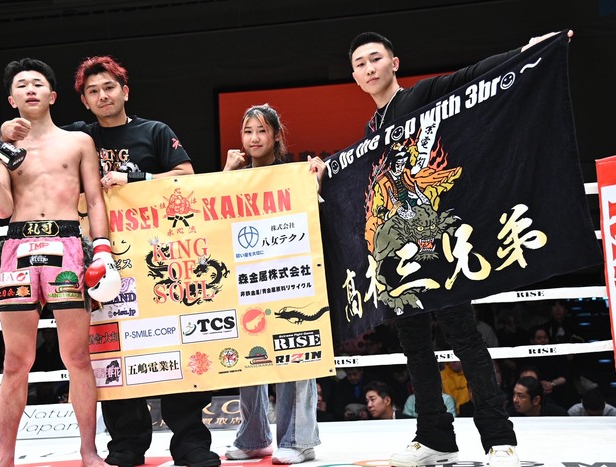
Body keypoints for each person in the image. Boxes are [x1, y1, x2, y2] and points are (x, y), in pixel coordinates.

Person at [344, 29, 573, 467]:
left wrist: (525, 52)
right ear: (354, 77)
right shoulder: (372, 128)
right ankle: (434, 437)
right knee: (415, 347)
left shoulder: (419, 97)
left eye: (375, 59)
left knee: (465, 339)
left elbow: (471, 77)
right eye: (360, 64)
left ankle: (499, 440)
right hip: (399, 252)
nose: (369, 68)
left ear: (394, 62)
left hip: (438, 243)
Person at [0, 55, 217, 467]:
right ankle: (126, 444)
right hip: (98, 261)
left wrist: (135, 179)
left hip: (160, 259)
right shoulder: (79, 135)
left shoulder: (154, 131)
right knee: (112, 348)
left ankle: (191, 442)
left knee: (173, 339)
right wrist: (3, 132)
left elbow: (186, 176)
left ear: (125, 91)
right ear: (82, 100)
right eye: (93, 91)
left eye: (109, 88)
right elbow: (31, 136)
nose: (102, 96)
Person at [0, 57, 121, 466]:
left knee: (77, 357)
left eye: (38, 83)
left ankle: (88, 452)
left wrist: (102, 248)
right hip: (18, 248)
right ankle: (4, 458)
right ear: (12, 99)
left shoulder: (78, 142)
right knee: (15, 361)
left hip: (67, 244)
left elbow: (95, 199)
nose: (30, 88)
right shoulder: (3, 149)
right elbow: (1, 209)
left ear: (53, 95)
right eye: (22, 84)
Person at [222, 104, 321, 464]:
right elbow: (209, 221)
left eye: (261, 130)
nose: (254, 138)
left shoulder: (294, 174)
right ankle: (253, 439)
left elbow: (316, 218)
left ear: (276, 135)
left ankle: (299, 440)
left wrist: (316, 181)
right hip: (247, 279)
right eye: (248, 131)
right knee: (250, 357)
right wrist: (226, 174)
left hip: (293, 278)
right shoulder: (234, 177)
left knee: (297, 355)